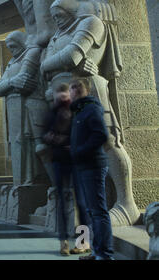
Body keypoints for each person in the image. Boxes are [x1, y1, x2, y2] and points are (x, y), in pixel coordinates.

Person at [43, 83, 91, 256]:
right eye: (59, 96)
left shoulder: (76, 112)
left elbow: (77, 135)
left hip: (76, 161)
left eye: (65, 96)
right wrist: (57, 139)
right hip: (59, 161)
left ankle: (83, 241)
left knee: (82, 202)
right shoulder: (51, 113)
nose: (62, 99)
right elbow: (46, 135)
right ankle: (63, 242)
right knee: (61, 202)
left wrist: (59, 139)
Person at [69, 78, 114, 260]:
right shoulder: (78, 112)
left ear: (86, 90)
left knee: (98, 212)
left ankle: (104, 254)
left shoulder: (91, 108)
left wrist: (79, 151)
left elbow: (101, 135)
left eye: (79, 87)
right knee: (90, 211)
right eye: (72, 87)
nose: (75, 90)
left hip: (93, 166)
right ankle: (97, 251)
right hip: (82, 167)